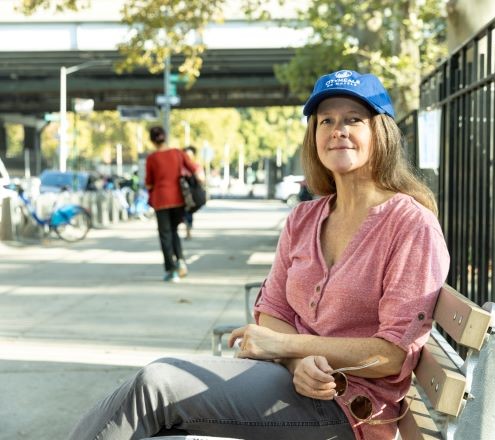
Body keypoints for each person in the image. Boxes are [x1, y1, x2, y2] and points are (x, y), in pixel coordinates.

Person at [67, 70, 450, 440]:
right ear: (313, 135)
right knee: (157, 408)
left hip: (348, 409)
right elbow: (274, 311)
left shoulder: (410, 226)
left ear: (379, 132)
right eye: (326, 120)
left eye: (354, 119)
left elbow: (392, 356)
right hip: (288, 382)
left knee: (157, 385)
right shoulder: (304, 217)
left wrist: (288, 347)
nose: (339, 131)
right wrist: (298, 361)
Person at [145, 126, 202, 282]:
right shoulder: (178, 153)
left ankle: (171, 270)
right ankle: (181, 262)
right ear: (165, 137)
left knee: (165, 235)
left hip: (161, 200)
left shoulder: (152, 158)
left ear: (152, 140)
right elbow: (194, 168)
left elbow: (149, 183)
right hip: (178, 199)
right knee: (174, 231)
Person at [181, 145, 203, 240]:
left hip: (193, 194)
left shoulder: (196, 166)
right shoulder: (180, 167)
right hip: (182, 194)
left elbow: (202, 179)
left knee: (189, 212)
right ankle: (187, 230)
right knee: (185, 213)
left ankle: (188, 229)